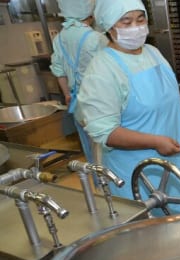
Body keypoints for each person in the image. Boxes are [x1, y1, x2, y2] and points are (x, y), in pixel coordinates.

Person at [75, 0, 180, 214]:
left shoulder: (152, 53)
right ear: (108, 26)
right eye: (126, 22)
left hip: (174, 158)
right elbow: (105, 132)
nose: (135, 27)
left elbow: (168, 106)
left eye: (140, 19)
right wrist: (155, 142)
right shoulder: (102, 70)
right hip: (137, 171)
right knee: (154, 228)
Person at [50, 0, 108, 163]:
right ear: (89, 12)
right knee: (107, 149)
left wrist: (67, 95)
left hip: (77, 103)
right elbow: (111, 70)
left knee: (90, 148)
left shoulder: (59, 39)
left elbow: (59, 71)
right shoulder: (96, 38)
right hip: (100, 101)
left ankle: (96, 177)